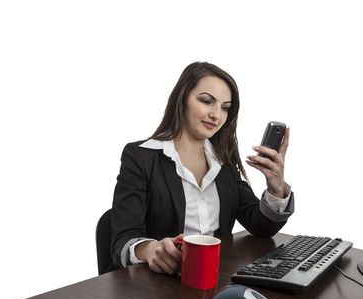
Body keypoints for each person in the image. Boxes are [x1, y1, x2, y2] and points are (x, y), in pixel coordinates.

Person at [110, 62, 294, 275]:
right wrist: (150, 249)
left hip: (213, 278)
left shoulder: (222, 161)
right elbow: (122, 240)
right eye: (206, 101)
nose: (217, 115)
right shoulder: (141, 157)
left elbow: (261, 227)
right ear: (182, 99)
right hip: (158, 286)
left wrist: (276, 188)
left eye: (225, 107)